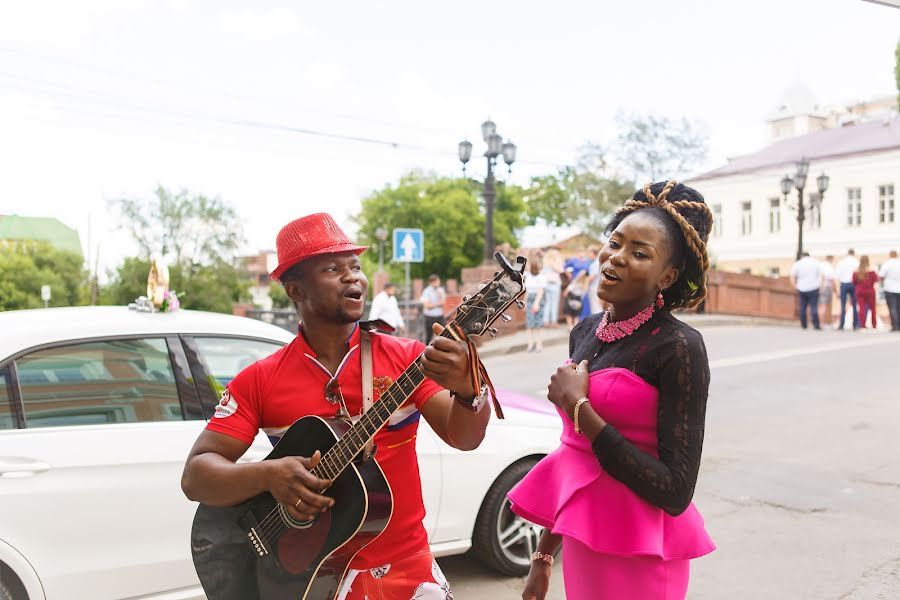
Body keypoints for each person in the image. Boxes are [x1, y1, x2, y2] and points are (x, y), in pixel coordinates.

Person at [181, 213, 492, 599]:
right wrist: (268, 476)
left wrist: (466, 390)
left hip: (407, 571)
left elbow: (464, 437)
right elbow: (196, 476)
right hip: (312, 582)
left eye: (356, 267)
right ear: (295, 290)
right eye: (333, 268)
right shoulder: (260, 379)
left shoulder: (407, 358)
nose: (353, 278)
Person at [509, 181, 715, 600]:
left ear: (668, 275)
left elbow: (675, 490)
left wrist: (578, 405)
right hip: (586, 541)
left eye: (640, 254)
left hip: (642, 556)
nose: (616, 258)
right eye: (615, 243)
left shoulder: (678, 347)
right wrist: (544, 558)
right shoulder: (585, 332)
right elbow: (574, 458)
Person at [790, 252, 823, 330]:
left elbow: (792, 276)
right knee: (814, 306)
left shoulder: (798, 263)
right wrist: (820, 286)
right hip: (814, 287)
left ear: (802, 256)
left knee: (802, 306)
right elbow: (821, 275)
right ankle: (816, 325)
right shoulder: (816, 262)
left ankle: (804, 324)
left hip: (801, 287)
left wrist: (795, 286)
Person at [524, 260, 547, 353]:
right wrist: (524, 303)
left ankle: (539, 344)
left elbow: (540, 291)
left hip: (537, 300)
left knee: (538, 323)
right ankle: (530, 344)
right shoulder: (528, 276)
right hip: (530, 299)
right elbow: (527, 291)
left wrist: (536, 303)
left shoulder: (541, 277)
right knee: (530, 324)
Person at [836, 249, 860, 330]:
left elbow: (837, 275)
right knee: (854, 305)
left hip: (844, 283)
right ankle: (855, 324)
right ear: (853, 253)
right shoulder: (856, 262)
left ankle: (841, 324)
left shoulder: (842, 262)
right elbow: (858, 274)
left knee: (843, 305)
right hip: (853, 284)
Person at [420, 274, 446, 344]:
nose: (438, 283)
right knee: (429, 335)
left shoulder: (440, 290)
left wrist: (434, 304)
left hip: (439, 316)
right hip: (430, 317)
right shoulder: (427, 291)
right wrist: (438, 304)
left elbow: (443, 302)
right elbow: (427, 305)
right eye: (437, 281)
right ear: (432, 282)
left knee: (444, 333)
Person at [853, 255, 879, 329]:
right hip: (870, 291)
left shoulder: (856, 271)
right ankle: (874, 325)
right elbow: (876, 281)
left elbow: (854, 282)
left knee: (861, 309)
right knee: (873, 309)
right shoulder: (871, 270)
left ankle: (862, 325)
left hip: (860, 291)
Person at [542, 248, 564, 328]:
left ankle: (546, 321)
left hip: (547, 284)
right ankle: (553, 321)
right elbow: (561, 270)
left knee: (548, 303)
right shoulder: (553, 262)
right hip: (554, 284)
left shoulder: (546, 262)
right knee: (553, 303)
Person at [879, 250, 900, 331]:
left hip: (889, 288)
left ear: (890, 255)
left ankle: (895, 326)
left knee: (892, 308)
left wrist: (883, 283)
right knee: (899, 307)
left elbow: (881, 276)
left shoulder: (887, 264)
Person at [819, 255, 837, 326]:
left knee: (820, 305)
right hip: (826, 287)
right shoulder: (829, 267)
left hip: (819, 287)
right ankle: (822, 322)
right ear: (830, 259)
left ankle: (820, 322)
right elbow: (832, 279)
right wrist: (836, 290)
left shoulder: (820, 265)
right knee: (825, 305)